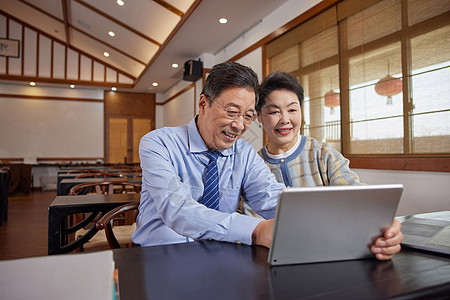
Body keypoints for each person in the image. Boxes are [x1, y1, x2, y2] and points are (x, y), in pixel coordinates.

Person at [132, 62, 283, 248]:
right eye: (232, 112)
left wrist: (305, 215)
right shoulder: (159, 143)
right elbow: (177, 209)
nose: (239, 125)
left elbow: (269, 196)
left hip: (221, 252)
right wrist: (256, 230)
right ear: (203, 103)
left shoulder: (244, 153)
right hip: (163, 252)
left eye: (247, 116)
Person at [255, 71, 403, 260]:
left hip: (331, 252)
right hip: (271, 257)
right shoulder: (254, 165)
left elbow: (356, 196)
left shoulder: (323, 154)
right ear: (259, 116)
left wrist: (385, 223)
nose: (285, 119)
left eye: (292, 110)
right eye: (274, 111)